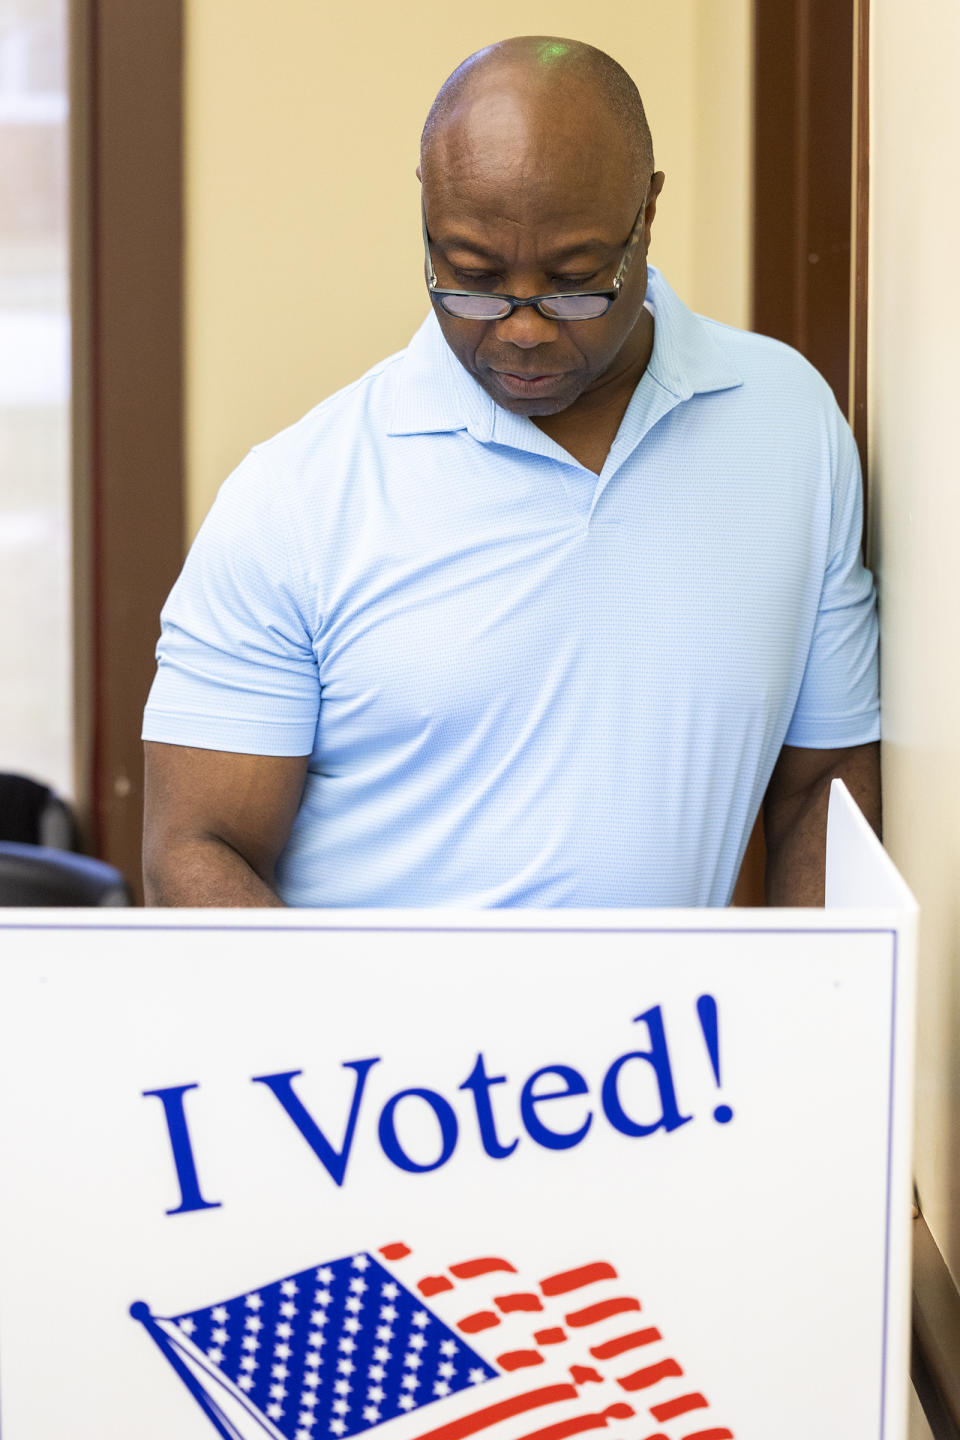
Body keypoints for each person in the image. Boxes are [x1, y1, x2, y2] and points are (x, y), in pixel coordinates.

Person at [141, 36, 880, 909]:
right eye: (472, 279)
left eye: (575, 284)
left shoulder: (786, 422)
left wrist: (810, 1023)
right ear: (428, 216)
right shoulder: (298, 498)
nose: (523, 330)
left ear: (647, 214)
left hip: (661, 1043)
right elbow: (196, 849)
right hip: (385, 1044)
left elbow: (823, 784)